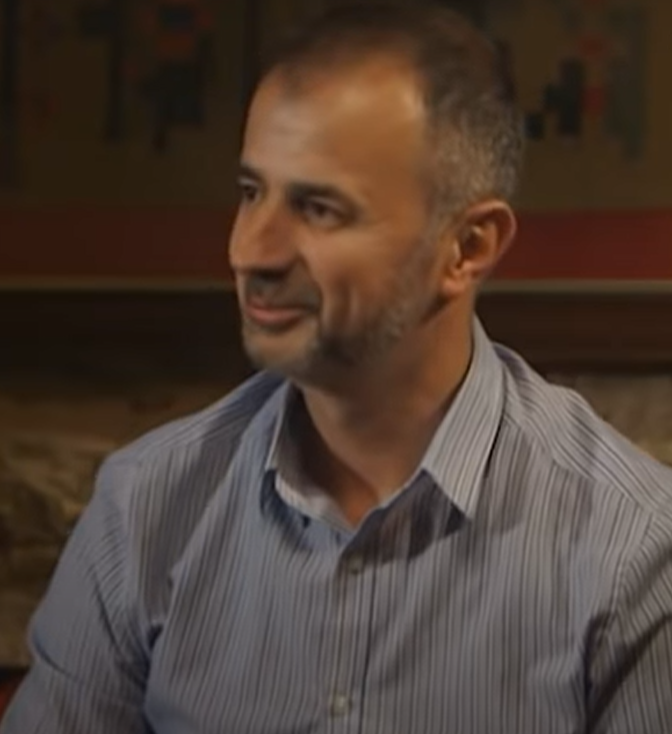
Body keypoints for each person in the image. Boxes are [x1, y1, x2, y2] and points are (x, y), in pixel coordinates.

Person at [2, 3, 672, 732]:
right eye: (251, 193)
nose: (250, 252)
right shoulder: (144, 507)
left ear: (468, 247)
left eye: (318, 208)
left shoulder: (632, 548)